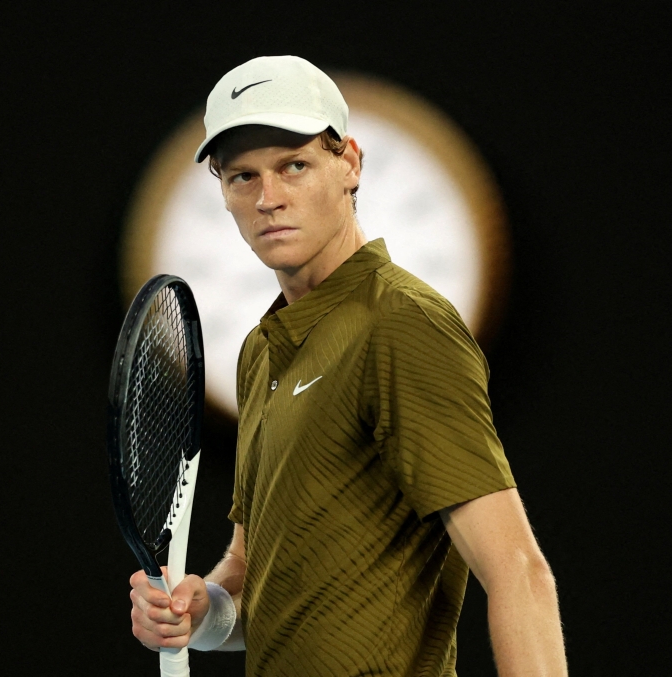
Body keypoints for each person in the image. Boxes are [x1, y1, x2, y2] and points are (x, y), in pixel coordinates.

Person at [130, 55, 567, 676]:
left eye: (295, 166)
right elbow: (259, 583)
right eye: (242, 178)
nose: (269, 199)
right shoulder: (260, 350)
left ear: (351, 164)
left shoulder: (402, 323)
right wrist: (202, 617)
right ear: (223, 194)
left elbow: (518, 571)